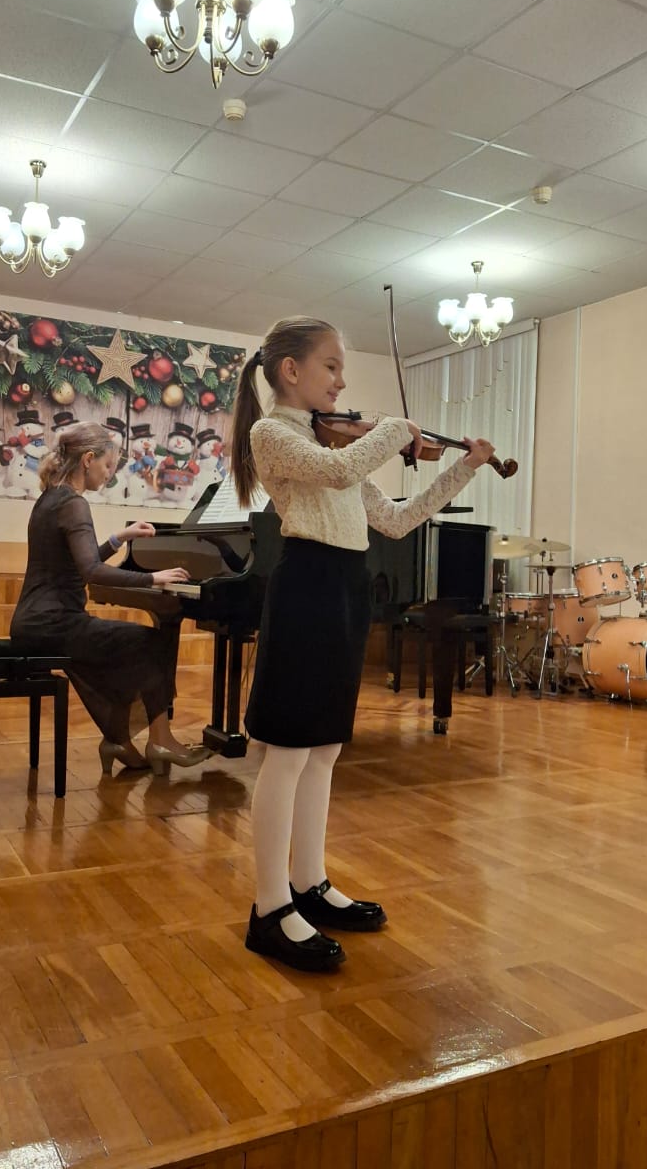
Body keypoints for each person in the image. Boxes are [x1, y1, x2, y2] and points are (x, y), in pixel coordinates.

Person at [230, 316, 495, 972]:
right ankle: (269, 907)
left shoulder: (331, 442)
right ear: (291, 370)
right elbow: (340, 466)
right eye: (332, 366)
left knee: (323, 749)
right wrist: (391, 432)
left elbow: (397, 521)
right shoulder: (275, 435)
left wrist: (463, 468)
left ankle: (309, 883)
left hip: (347, 589)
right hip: (307, 587)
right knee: (287, 753)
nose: (341, 382)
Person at [9, 422, 211, 775]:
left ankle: (119, 739)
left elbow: (76, 565)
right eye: (107, 466)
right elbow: (91, 571)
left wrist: (119, 538)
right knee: (152, 642)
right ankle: (160, 739)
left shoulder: (51, 498)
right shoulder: (73, 504)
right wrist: (152, 577)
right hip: (54, 624)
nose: (109, 474)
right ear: (88, 459)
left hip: (36, 622)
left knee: (129, 648)